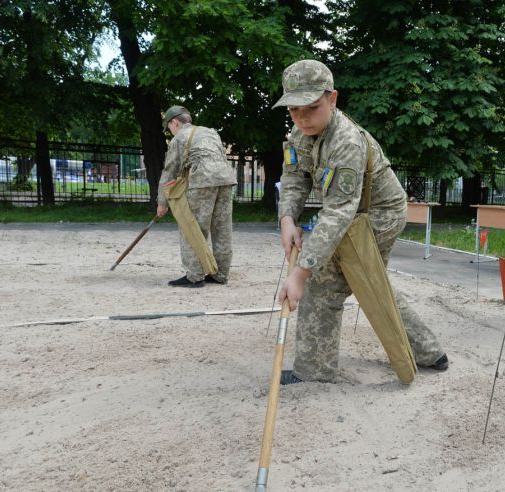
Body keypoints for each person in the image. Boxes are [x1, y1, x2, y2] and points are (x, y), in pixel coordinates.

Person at [273, 60, 448, 384]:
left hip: (380, 214)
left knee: (325, 281)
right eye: (294, 110)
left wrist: (301, 271)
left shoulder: (347, 142)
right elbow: (295, 177)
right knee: (368, 280)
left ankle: (315, 369)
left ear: (333, 99)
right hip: (350, 212)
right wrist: (287, 218)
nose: (302, 117)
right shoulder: (300, 133)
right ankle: (428, 351)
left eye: (311, 107)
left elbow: (338, 211)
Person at [157, 105, 237, 287]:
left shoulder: (179, 138)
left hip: (202, 180)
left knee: (192, 227)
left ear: (174, 122)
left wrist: (162, 203)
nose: (170, 131)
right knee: (222, 229)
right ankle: (221, 274)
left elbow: (169, 172)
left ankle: (194, 276)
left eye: (169, 127)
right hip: (225, 179)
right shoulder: (210, 133)